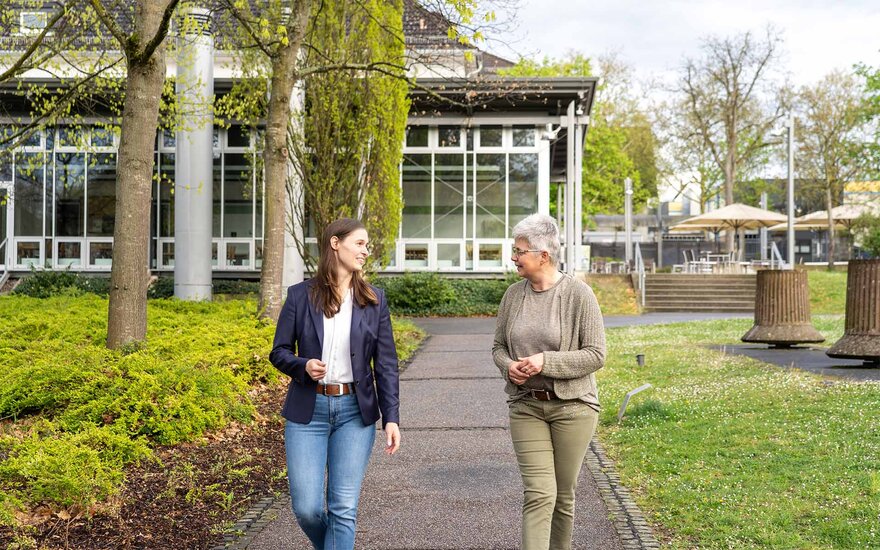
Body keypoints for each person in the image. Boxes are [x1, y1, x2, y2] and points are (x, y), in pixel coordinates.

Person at [270, 217, 401, 550]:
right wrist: (303, 365)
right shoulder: (300, 296)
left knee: (343, 509)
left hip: (354, 413)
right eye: (359, 243)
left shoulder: (374, 300)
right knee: (308, 508)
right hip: (307, 412)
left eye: (366, 245)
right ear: (335, 244)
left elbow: (385, 364)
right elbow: (279, 352)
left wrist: (392, 417)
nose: (365, 251)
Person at [492, 214, 606, 550]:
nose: (514, 257)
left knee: (563, 496)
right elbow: (498, 347)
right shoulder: (513, 296)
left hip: (574, 408)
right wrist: (508, 365)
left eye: (520, 251)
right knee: (540, 493)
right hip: (526, 406)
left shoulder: (579, 294)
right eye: (514, 250)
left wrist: (546, 360)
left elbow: (596, 355)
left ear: (544, 255)